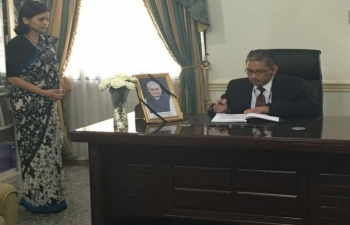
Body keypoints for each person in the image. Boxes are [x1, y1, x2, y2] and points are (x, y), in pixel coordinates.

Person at [6, 1, 66, 213]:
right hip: (28, 106)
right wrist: (43, 92)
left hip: (48, 103)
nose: (46, 23)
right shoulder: (16, 44)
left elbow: (53, 68)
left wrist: (58, 88)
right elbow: (13, 78)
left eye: (47, 19)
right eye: (41, 19)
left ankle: (54, 196)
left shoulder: (47, 41)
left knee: (51, 148)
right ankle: (35, 198)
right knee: (35, 149)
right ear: (26, 20)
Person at [208, 49, 320, 117]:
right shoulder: (236, 86)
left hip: (280, 140)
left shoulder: (293, 84)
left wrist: (269, 108)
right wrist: (220, 109)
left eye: (260, 71)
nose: (253, 76)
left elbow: (311, 108)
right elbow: (217, 109)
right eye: (249, 71)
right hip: (245, 141)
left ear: (273, 70)